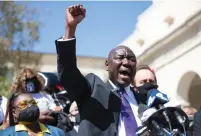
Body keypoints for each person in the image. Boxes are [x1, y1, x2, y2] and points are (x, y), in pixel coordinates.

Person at [56, 4, 142, 136]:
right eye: (120, 57)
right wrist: (70, 29)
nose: (126, 62)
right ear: (107, 65)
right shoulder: (93, 88)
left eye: (131, 59)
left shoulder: (142, 98)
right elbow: (68, 73)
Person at [0, 93, 65, 136]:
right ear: (14, 112)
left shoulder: (58, 133)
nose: (30, 106)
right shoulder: (7, 134)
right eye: (24, 104)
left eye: (33, 103)